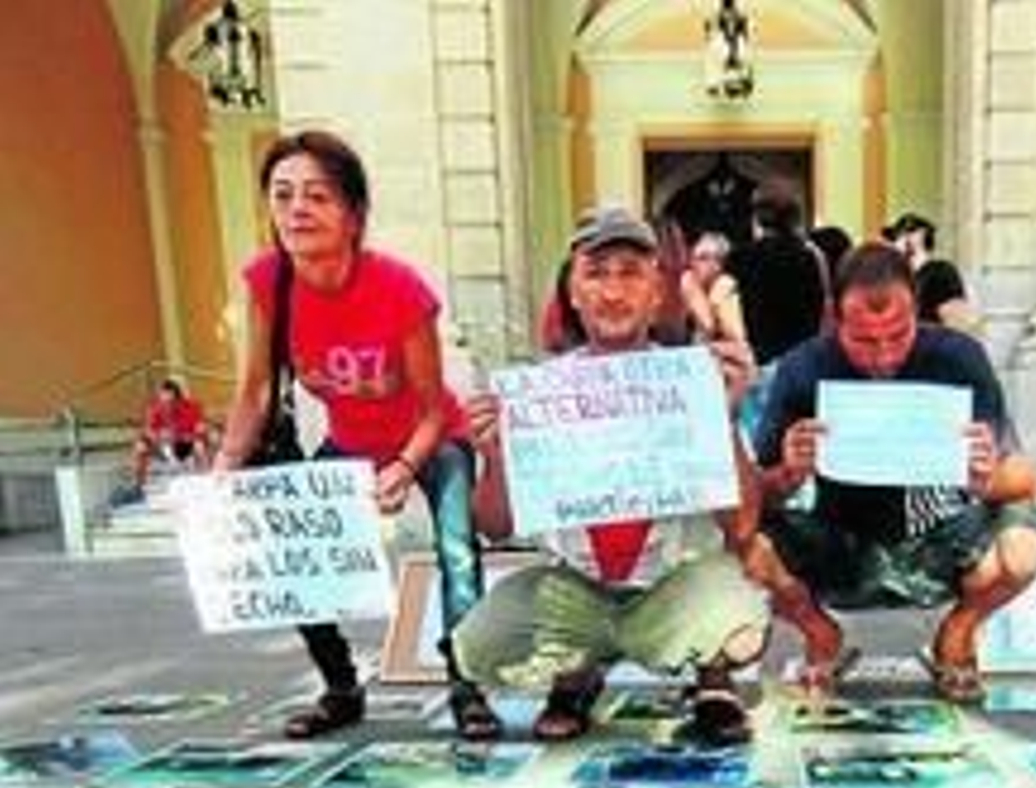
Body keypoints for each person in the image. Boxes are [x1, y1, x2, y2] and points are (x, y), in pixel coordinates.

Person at [213, 130, 499, 741]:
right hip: (349, 442)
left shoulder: (398, 288)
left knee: (457, 553)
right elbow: (256, 391)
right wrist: (223, 471)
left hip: (430, 438)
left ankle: (467, 689)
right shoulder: (268, 282)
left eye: (317, 196)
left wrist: (403, 467)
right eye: (282, 195)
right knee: (300, 556)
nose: (297, 210)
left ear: (354, 214)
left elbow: (432, 409)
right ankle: (340, 686)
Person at [454, 204, 769, 745]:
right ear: (573, 293)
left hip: (670, 585)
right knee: (480, 642)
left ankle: (713, 680)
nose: (613, 291)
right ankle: (575, 673)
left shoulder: (692, 382)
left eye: (630, 273)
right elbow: (495, 527)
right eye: (596, 274)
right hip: (578, 587)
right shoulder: (542, 391)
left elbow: (741, 526)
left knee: (737, 612)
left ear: (657, 292)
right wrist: (496, 458)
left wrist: (724, 419)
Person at [745, 241, 1036, 702]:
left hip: (939, 537)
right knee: (742, 539)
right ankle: (820, 633)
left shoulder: (958, 358)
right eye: (864, 341)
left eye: (898, 335)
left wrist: (983, 478)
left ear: (918, 313)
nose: (883, 357)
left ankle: (958, 631)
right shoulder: (802, 369)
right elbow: (755, 495)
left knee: (1026, 539)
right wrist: (788, 473)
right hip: (839, 542)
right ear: (833, 317)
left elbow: (1026, 480)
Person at [726, 179, 830, 434]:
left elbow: (723, 307)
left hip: (757, 365)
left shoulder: (740, 258)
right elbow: (823, 311)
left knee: (757, 443)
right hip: (801, 364)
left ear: (757, 218)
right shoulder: (810, 258)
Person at [882, 211, 979, 334]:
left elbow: (957, 322)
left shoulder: (941, 271)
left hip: (931, 343)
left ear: (919, 236)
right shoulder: (898, 277)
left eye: (898, 237)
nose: (894, 244)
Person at [132, 379, 211, 490]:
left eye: (170, 402)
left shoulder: (192, 407)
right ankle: (138, 485)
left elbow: (201, 428)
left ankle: (207, 483)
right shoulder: (155, 408)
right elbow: (148, 431)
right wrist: (157, 436)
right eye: (163, 401)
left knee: (199, 446)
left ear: (178, 399)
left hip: (185, 444)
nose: (166, 406)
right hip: (163, 445)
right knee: (140, 447)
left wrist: (189, 436)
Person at [680, 231, 747, 347]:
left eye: (717, 259)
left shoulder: (725, 285)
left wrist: (716, 300)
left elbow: (737, 337)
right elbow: (707, 326)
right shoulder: (688, 280)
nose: (711, 265)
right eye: (701, 258)